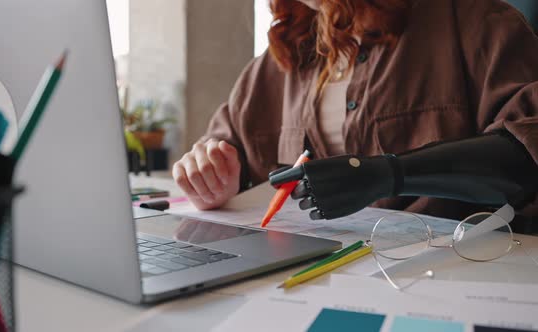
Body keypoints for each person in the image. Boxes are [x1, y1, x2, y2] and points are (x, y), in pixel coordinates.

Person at [172, 0, 538, 221]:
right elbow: (221, 147)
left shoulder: (472, 21)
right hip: (314, 275)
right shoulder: (281, 59)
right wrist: (210, 176)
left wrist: (392, 174)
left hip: (448, 270)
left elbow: (529, 144)